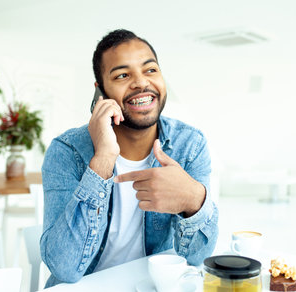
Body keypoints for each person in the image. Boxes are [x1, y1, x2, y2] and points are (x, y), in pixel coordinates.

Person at [40, 29, 219, 287]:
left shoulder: (189, 145)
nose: (140, 83)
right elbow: (65, 269)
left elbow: (197, 258)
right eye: (122, 75)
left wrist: (193, 199)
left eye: (150, 70)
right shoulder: (66, 151)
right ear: (100, 92)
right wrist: (102, 160)